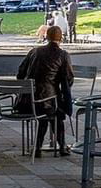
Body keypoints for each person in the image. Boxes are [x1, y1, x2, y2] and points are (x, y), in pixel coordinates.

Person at [16, 24, 74, 157]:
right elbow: (68, 79)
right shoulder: (63, 55)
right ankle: (61, 146)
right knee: (56, 113)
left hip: (25, 102)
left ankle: (38, 147)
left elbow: (20, 73)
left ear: (46, 37)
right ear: (61, 38)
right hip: (46, 101)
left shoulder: (34, 51)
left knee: (49, 112)